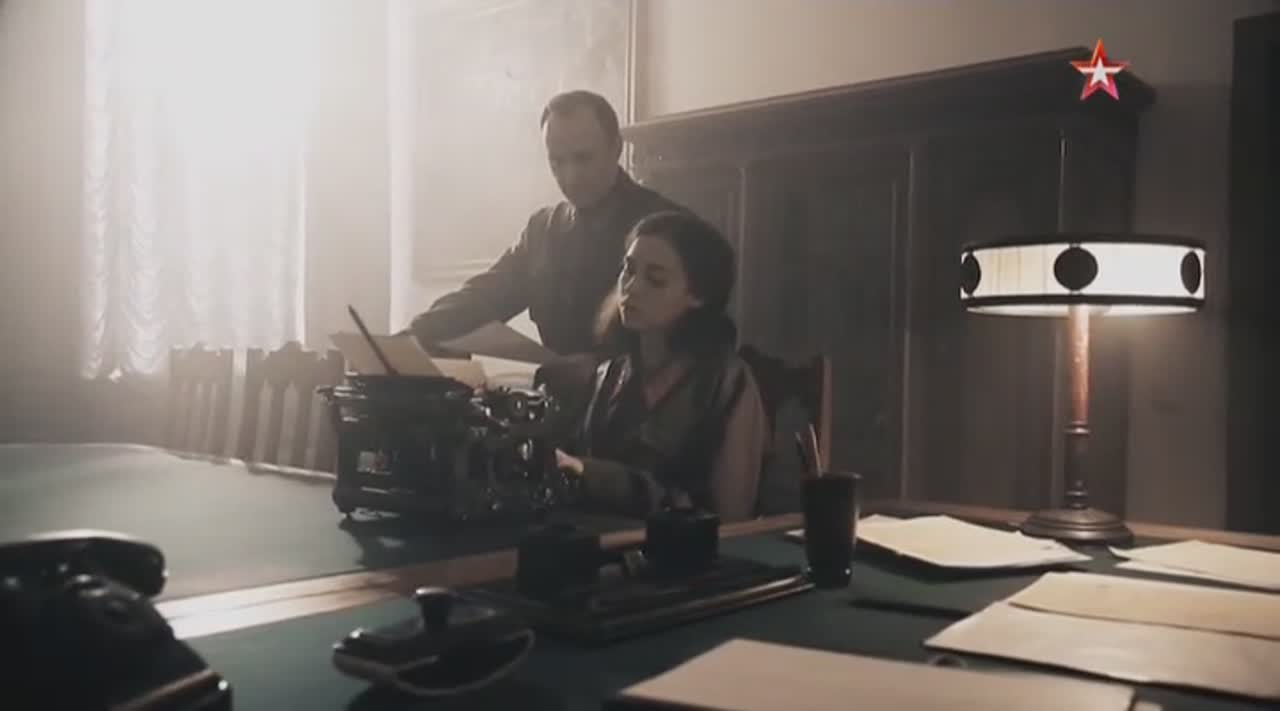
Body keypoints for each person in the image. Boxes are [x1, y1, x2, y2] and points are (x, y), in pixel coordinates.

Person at [407, 90, 684, 358]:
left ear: (616, 148)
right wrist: (416, 333)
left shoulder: (668, 228)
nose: (570, 176)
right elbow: (485, 296)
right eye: (557, 161)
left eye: (583, 158)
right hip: (558, 388)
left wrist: (599, 368)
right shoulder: (542, 231)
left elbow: (684, 342)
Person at [554, 211, 768, 523]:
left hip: (685, 549)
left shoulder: (727, 382)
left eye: (655, 280)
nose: (631, 287)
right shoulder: (610, 374)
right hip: (599, 542)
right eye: (628, 270)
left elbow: (729, 517)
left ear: (698, 295)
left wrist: (599, 477)